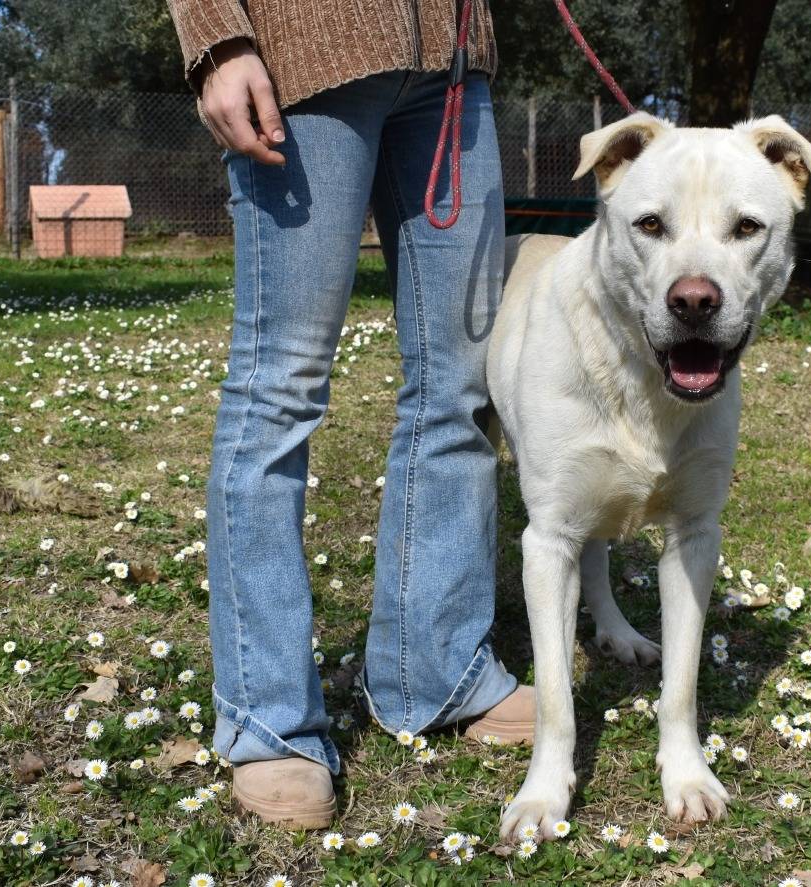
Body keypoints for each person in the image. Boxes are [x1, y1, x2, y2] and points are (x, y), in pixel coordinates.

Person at [166, 0, 534, 830]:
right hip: (304, 51)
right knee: (280, 385)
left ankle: (435, 671)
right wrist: (217, 41)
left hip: (449, 67)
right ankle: (268, 720)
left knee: (462, 385)